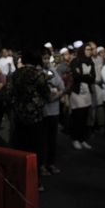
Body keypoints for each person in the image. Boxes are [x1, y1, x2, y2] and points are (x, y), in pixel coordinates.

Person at [6, 48, 51, 191]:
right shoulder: (38, 74)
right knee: (36, 150)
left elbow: (9, 94)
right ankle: (34, 182)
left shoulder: (15, 74)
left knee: (22, 149)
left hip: (20, 115)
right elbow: (47, 94)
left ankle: (21, 181)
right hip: (37, 116)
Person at [39, 47, 65, 176]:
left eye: (48, 58)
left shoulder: (52, 70)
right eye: (44, 58)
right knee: (41, 139)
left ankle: (51, 163)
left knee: (52, 139)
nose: (46, 61)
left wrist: (58, 94)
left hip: (54, 110)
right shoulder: (36, 71)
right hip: (42, 111)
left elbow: (62, 86)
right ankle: (41, 165)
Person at [69, 42, 95, 150]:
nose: (89, 51)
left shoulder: (91, 62)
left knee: (84, 117)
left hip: (87, 93)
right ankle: (75, 139)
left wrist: (82, 76)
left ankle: (82, 139)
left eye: (90, 49)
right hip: (77, 93)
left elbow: (93, 78)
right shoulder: (76, 61)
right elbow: (76, 76)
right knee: (78, 117)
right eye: (87, 49)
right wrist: (86, 76)